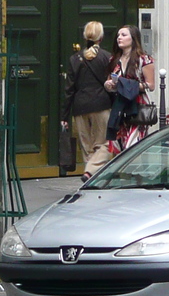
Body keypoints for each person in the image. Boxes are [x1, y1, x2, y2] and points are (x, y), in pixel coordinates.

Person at [63, 21, 113, 182]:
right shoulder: (107, 57)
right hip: (101, 105)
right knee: (105, 144)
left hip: (80, 106)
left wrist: (64, 116)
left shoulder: (74, 59)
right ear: (102, 36)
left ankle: (91, 177)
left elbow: (69, 89)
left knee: (87, 147)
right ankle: (91, 173)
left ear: (85, 36)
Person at [104, 24, 156, 154]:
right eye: (118, 35)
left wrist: (127, 85)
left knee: (132, 147)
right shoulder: (114, 60)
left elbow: (151, 85)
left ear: (133, 38)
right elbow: (111, 81)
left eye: (123, 35)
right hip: (119, 107)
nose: (119, 38)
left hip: (137, 105)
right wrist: (109, 85)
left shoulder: (144, 60)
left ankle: (135, 173)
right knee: (119, 146)